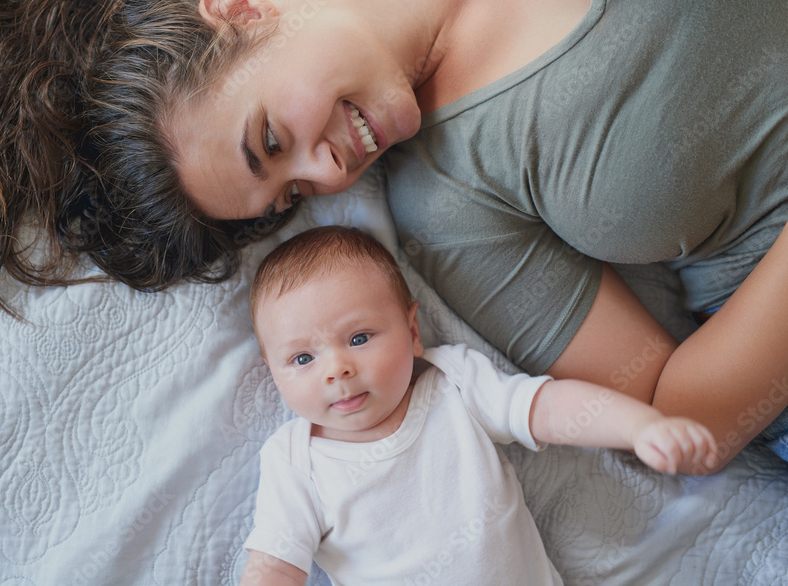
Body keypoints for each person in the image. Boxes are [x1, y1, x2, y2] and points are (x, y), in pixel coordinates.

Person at [0, 0, 788, 490]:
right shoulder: (448, 203)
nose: (329, 170)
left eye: (269, 138)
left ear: (241, 15)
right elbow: (683, 417)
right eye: (290, 189)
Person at [240, 226, 718, 586]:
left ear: (412, 332)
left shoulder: (455, 383)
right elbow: (275, 564)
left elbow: (548, 407)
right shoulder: (296, 460)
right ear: (272, 369)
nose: (336, 370)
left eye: (360, 338)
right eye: (302, 358)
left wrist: (639, 427)